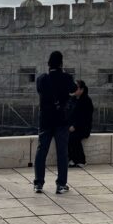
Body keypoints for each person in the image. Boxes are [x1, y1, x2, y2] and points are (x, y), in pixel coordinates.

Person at [33, 51, 76, 194]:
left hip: (45, 120)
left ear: (48, 64)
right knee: (62, 153)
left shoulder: (41, 79)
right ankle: (61, 184)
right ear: (61, 64)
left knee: (41, 151)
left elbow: (40, 90)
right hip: (62, 121)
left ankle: (38, 183)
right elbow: (74, 89)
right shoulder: (67, 78)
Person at [68, 79, 94, 168]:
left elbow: (85, 117)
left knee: (73, 137)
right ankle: (71, 159)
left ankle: (80, 160)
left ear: (82, 90)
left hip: (83, 127)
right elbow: (68, 113)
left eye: (76, 88)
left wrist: (75, 126)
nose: (74, 89)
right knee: (65, 136)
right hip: (72, 126)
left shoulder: (87, 101)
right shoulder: (72, 99)